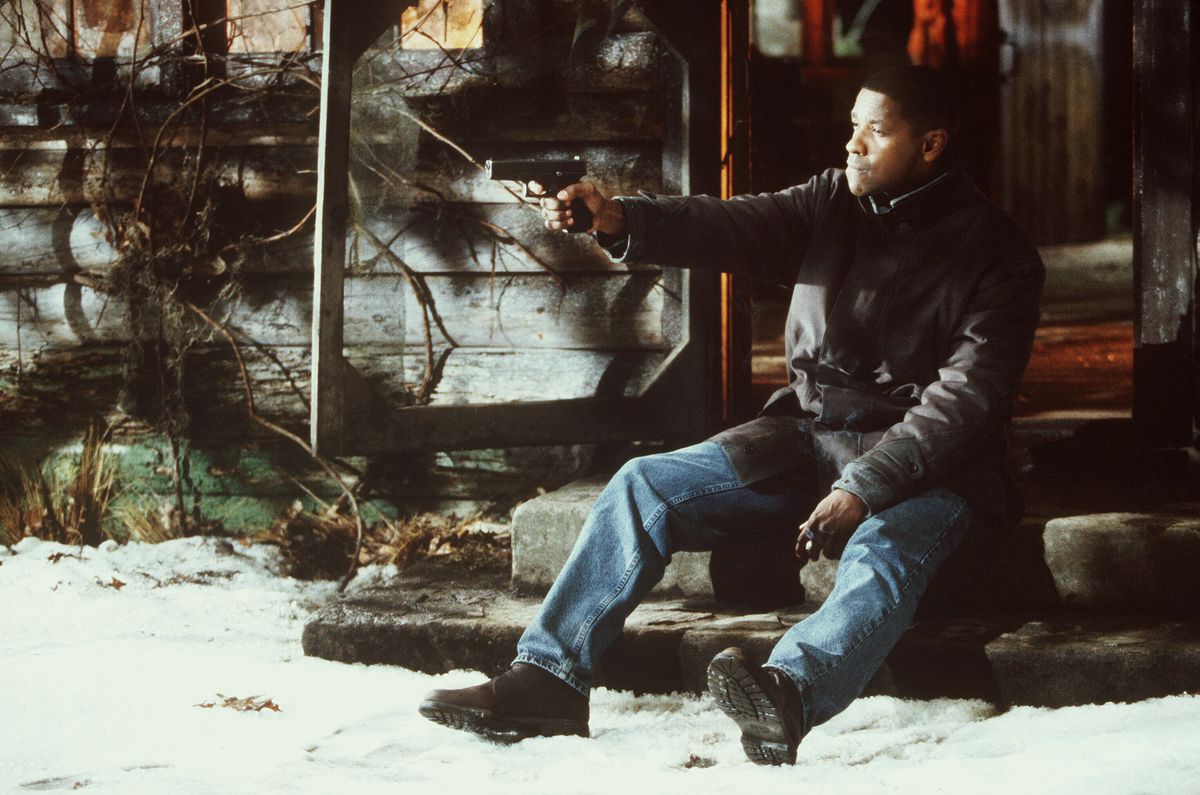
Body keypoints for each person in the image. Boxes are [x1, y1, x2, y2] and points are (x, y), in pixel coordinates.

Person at [418, 65, 1043, 766]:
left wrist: (865, 486)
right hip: (808, 436)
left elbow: (964, 402)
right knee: (643, 484)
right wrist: (619, 216)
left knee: (881, 550)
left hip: (932, 471)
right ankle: (548, 678)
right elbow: (730, 222)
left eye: (876, 129)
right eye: (852, 125)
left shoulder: (1000, 255)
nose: (853, 145)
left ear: (930, 145)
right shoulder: (831, 200)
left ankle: (788, 691)